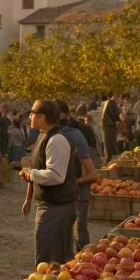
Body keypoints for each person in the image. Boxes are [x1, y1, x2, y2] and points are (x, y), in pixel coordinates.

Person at [17, 100, 79, 267]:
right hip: (50, 205)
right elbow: (35, 167)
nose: (30, 116)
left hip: (58, 207)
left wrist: (32, 173)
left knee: (52, 258)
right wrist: (29, 198)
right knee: (48, 254)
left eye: (33, 112)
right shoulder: (43, 136)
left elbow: (56, 175)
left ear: (42, 117)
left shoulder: (56, 140)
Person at [57, 101, 98, 250]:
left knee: (78, 229)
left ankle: (83, 261)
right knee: (75, 228)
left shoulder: (76, 133)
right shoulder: (62, 132)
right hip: (73, 186)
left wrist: (74, 180)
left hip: (78, 186)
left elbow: (91, 168)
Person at [101, 95, 120, 162]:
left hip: (107, 126)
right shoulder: (111, 103)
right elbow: (116, 115)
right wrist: (119, 120)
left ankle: (110, 160)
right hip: (110, 127)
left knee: (109, 145)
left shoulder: (107, 102)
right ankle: (110, 161)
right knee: (110, 145)